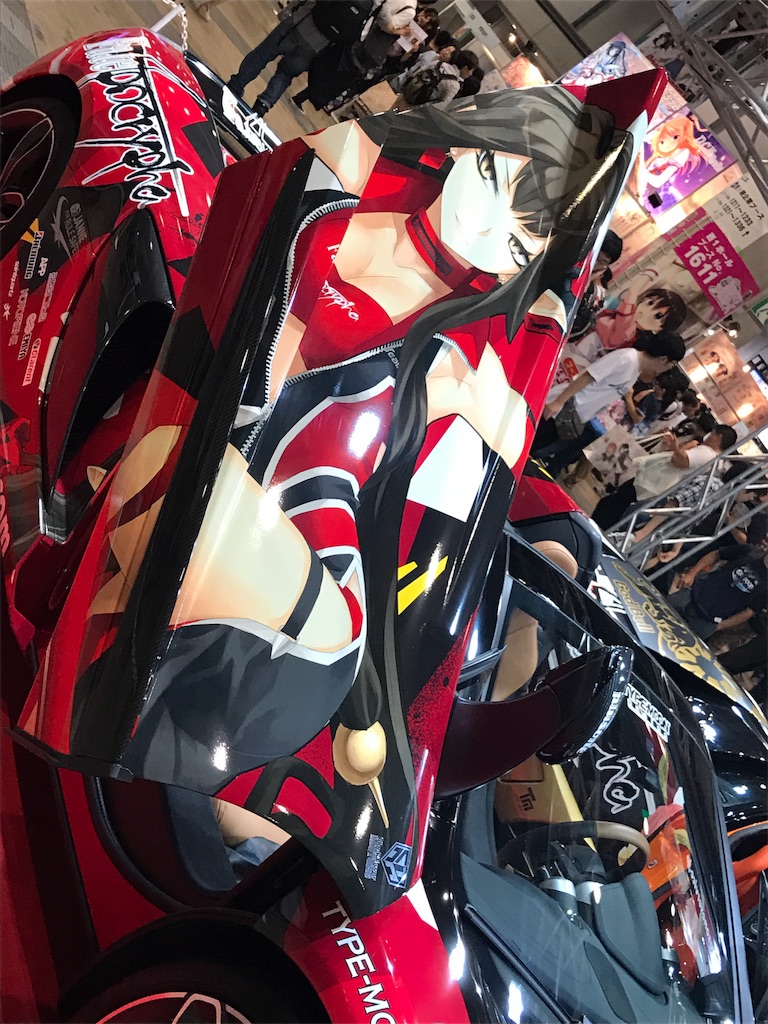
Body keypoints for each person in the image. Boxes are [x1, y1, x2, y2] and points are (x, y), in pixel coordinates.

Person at [101, 89, 639, 858]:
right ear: (469, 145)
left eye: (524, 239)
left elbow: (457, 545)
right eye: (493, 177)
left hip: (298, 552)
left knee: (258, 797)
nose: (486, 225)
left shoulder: (472, 370)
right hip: (188, 443)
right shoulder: (345, 185)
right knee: (174, 499)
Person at [532, 332, 685, 480]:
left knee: (533, 448)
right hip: (563, 409)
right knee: (528, 444)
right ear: (664, 359)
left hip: (572, 417)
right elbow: (588, 376)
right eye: (672, 364)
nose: (669, 369)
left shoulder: (635, 369)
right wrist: (558, 402)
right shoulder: (626, 358)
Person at [226, 1, 416, 116]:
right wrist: (398, 30)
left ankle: (236, 85)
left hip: (303, 22)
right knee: (286, 73)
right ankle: (261, 108)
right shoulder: (392, 5)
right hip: (323, 41)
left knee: (263, 54)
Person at [592, 423, 736, 531]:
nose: (708, 436)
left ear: (718, 437)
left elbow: (681, 461)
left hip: (652, 482)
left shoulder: (707, 453)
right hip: (657, 486)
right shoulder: (717, 462)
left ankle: (594, 527)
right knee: (618, 505)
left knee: (613, 505)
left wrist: (675, 447)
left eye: (712, 433)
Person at [667, 544, 768, 641]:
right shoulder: (750, 551)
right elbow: (716, 554)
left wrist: (718, 626)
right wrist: (692, 573)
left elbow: (749, 612)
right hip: (689, 596)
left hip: (706, 621)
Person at [595, 268, 687, 350]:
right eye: (650, 302)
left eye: (658, 316)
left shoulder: (628, 329)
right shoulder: (627, 327)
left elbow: (632, 292)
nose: (647, 311)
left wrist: (651, 273)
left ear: (658, 329)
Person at [568, 229, 623, 342]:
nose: (593, 262)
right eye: (594, 255)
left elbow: (575, 332)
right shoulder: (561, 261)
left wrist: (585, 283)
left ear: (604, 268)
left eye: (601, 261)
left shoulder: (591, 296)